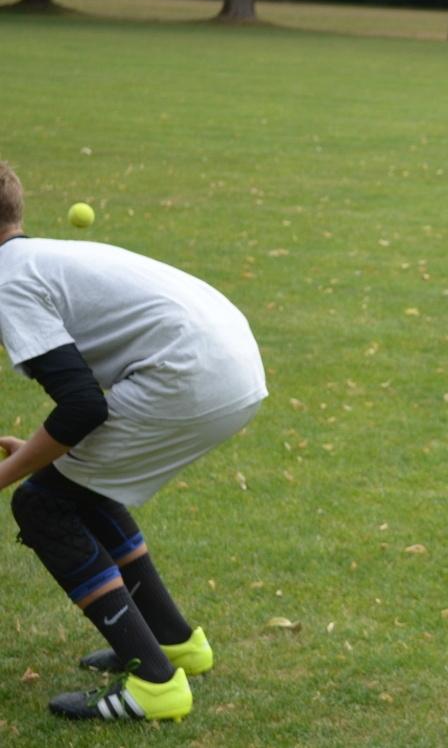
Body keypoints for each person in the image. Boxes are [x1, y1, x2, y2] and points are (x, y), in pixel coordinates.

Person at [0, 160, 267, 723]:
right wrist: (34, 454)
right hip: (233, 362)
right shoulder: (36, 259)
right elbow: (82, 412)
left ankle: (155, 683)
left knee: (40, 502)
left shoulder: (8, 282)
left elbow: (81, 407)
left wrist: (12, 472)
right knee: (77, 489)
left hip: (189, 374)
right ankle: (174, 644)